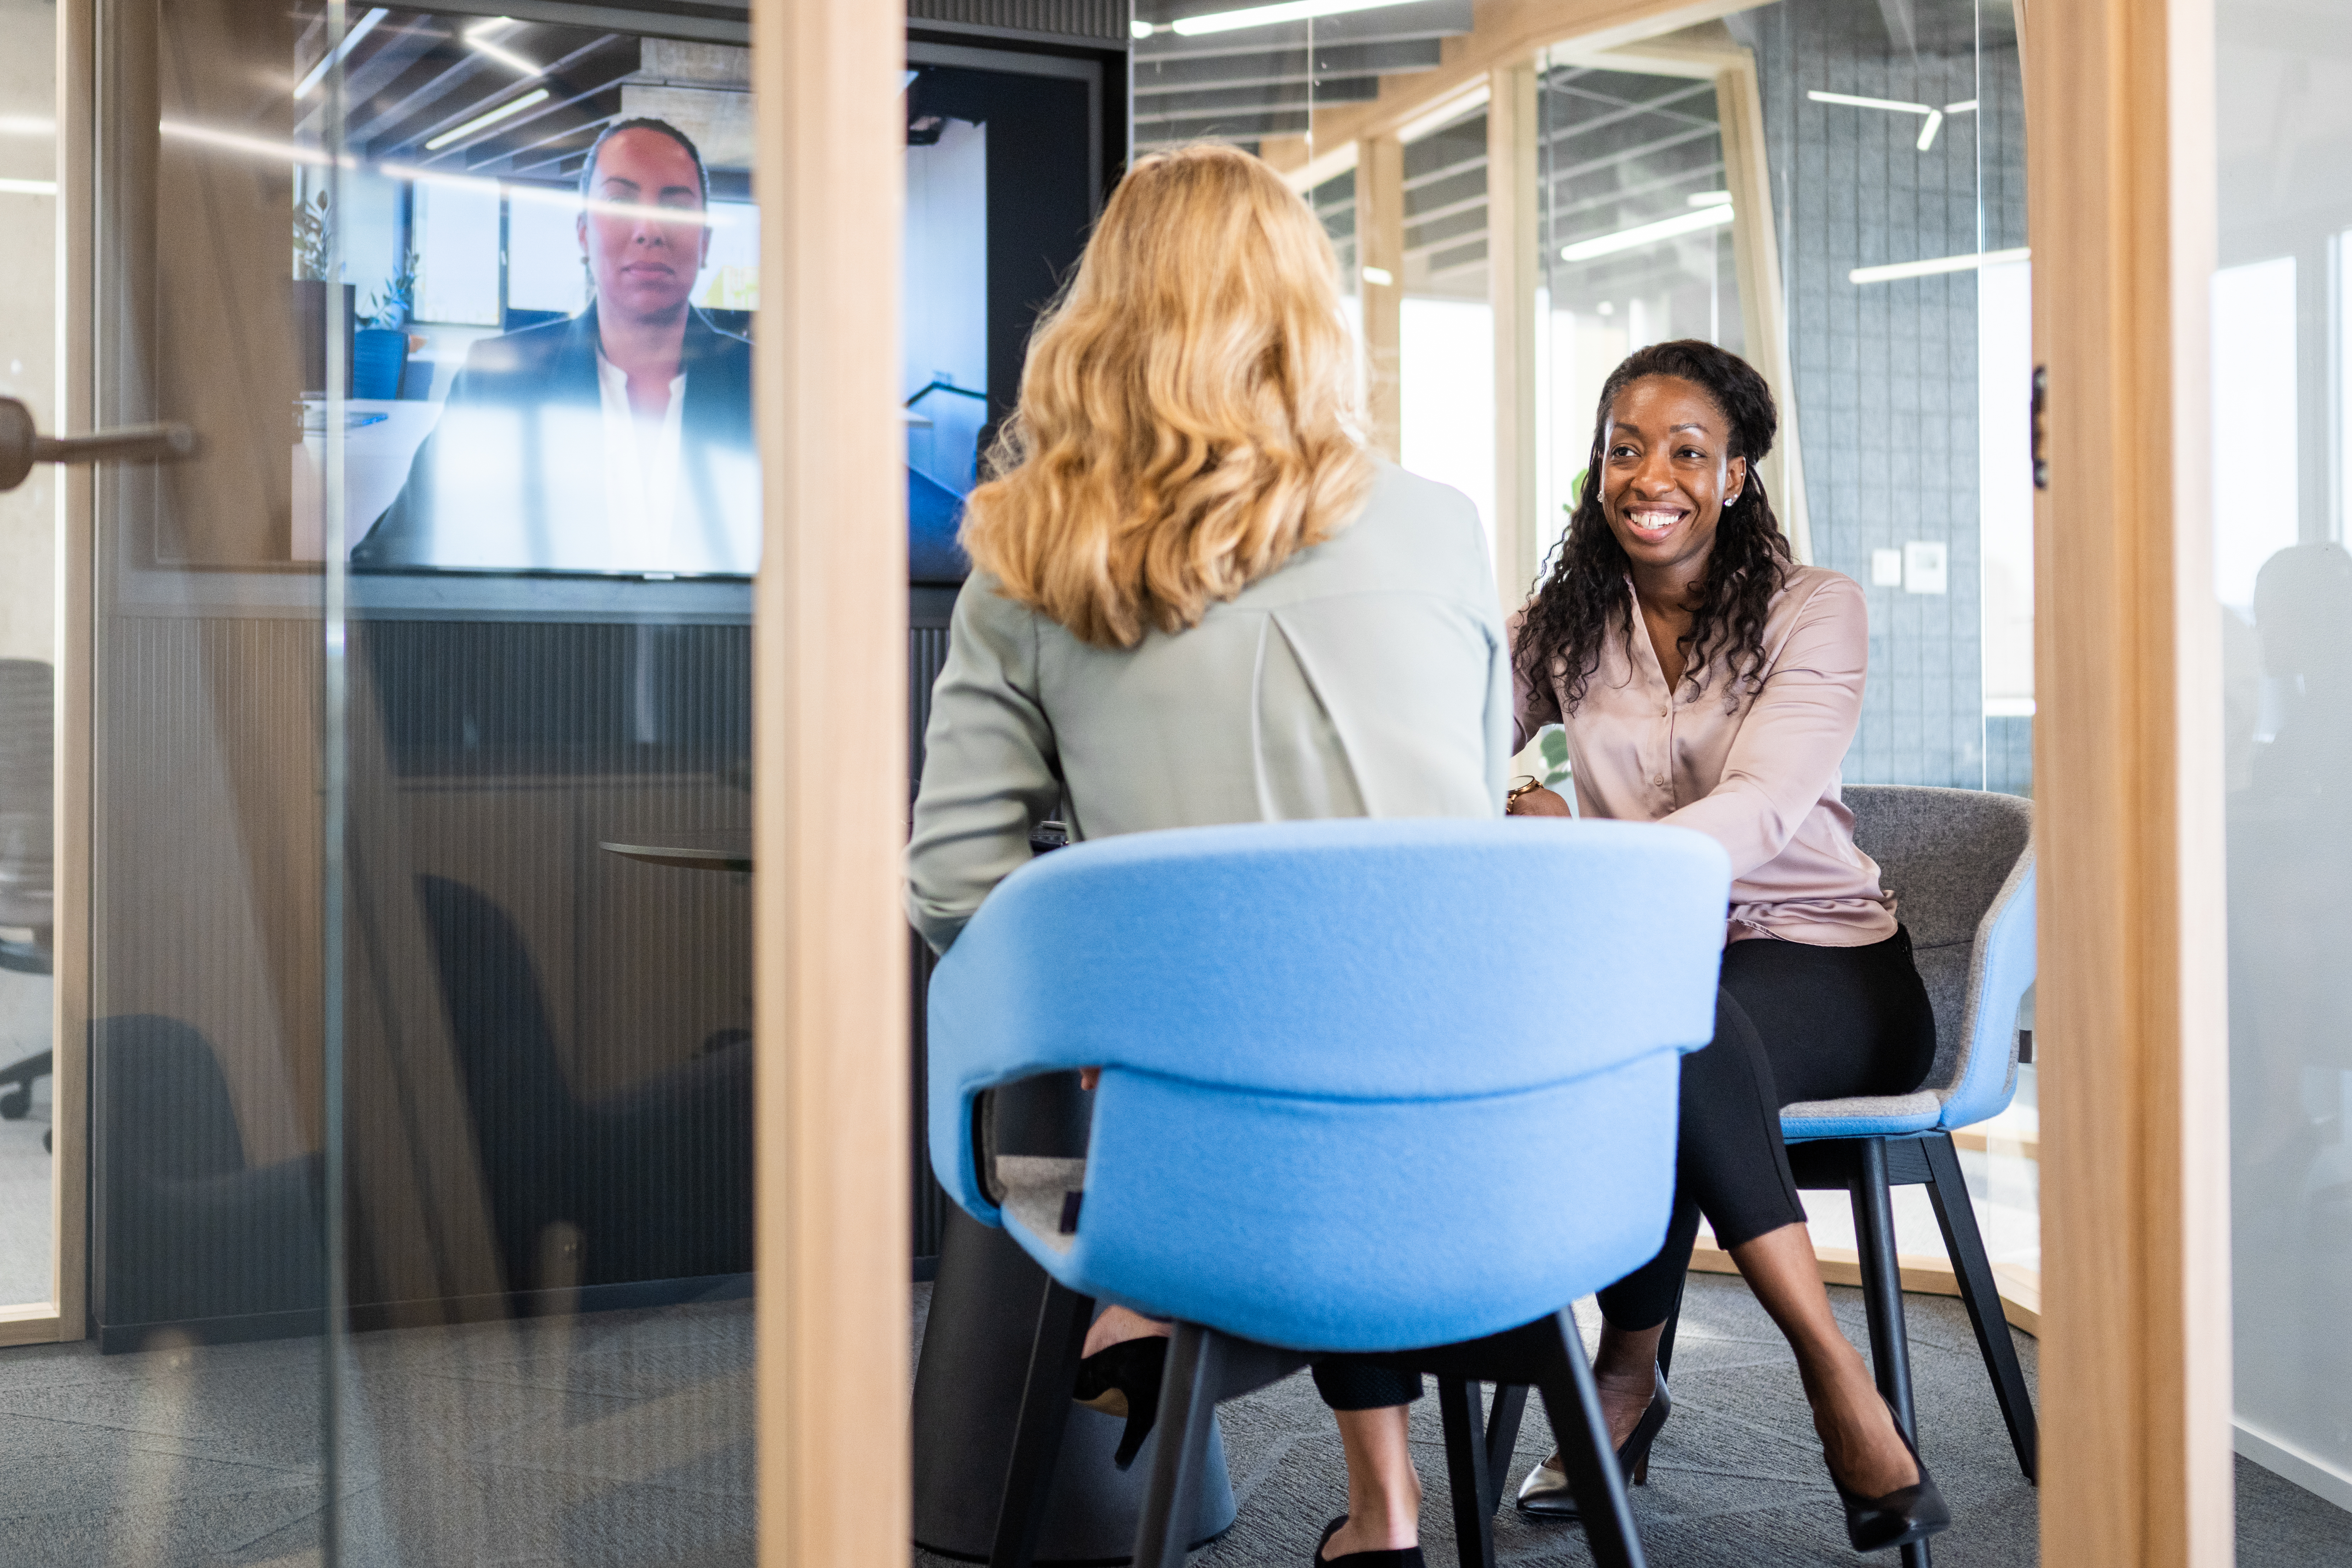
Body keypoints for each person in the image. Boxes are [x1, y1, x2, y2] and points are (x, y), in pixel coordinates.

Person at [904, 144, 1510, 1568]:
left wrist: (1110, 999)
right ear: (1309, 309)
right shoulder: (1438, 524)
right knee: (1340, 984)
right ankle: (1382, 1499)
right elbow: (1455, 844)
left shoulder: (1026, 554)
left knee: (1113, 1065)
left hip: (1212, 1158)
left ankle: (1156, 1298)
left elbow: (951, 886)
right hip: (1482, 1150)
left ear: (1101, 315)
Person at [1505, 339, 1950, 1554]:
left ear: (1736, 475)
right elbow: (1482, 778)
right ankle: (1692, 1378)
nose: (1649, 475)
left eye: (1686, 451)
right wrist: (1516, 804)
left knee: (1671, 1024)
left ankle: (1793, 1375)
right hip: (1647, 974)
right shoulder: (1548, 633)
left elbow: (1760, 808)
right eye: (1624, 447)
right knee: (1664, 1023)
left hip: (1825, 960)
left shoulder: (1815, 610)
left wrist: (1598, 863)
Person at [355, 118, 756, 575]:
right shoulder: (496, 382)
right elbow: (387, 572)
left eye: (677, 209)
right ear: (583, 234)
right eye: (621, 202)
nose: (650, 230)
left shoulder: (772, 390)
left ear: (706, 243)